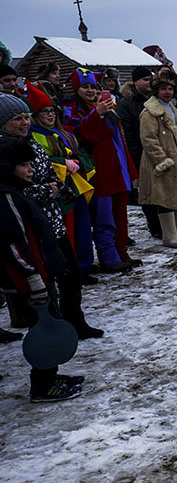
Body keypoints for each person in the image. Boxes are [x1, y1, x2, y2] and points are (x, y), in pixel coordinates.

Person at [1, 93, 101, 339]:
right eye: (17, 119)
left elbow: (49, 171)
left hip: (52, 222)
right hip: (31, 231)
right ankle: (54, 337)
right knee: (46, 288)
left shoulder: (32, 142)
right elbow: (13, 192)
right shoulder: (4, 151)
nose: (24, 123)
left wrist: (56, 183)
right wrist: (48, 189)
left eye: (26, 117)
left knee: (71, 274)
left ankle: (75, 323)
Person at [0, 137, 85, 402]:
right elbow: (15, 243)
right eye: (24, 165)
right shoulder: (6, 197)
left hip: (40, 274)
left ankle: (50, 375)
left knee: (50, 319)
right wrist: (33, 277)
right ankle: (43, 384)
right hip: (29, 280)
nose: (31, 169)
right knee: (43, 328)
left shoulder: (16, 192)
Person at [26, 80, 100, 289]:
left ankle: (84, 266)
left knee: (83, 228)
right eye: (44, 112)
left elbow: (81, 153)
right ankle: (71, 269)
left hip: (76, 187)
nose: (50, 115)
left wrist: (80, 163)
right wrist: (62, 164)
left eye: (52, 111)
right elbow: (38, 163)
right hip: (57, 192)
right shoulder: (33, 136)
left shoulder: (65, 133)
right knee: (67, 231)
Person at [64, 69, 139, 272]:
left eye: (92, 87)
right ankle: (109, 258)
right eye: (84, 87)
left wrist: (130, 171)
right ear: (76, 89)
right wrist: (96, 114)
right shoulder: (71, 110)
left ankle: (121, 252)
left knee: (120, 217)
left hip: (117, 168)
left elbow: (118, 139)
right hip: (98, 173)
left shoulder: (108, 108)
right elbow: (80, 137)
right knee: (104, 218)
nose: (89, 91)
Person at [139, 70, 177, 249]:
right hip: (162, 163)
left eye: (170, 88)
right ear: (156, 90)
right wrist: (161, 159)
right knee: (165, 198)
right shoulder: (150, 112)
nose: (167, 92)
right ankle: (169, 235)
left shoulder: (173, 110)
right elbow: (148, 139)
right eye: (163, 88)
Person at [116, 66, 162, 240]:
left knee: (162, 190)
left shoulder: (155, 99)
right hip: (139, 155)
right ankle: (155, 226)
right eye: (145, 79)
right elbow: (126, 133)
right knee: (147, 193)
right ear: (135, 82)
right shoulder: (126, 103)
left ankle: (166, 223)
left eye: (150, 78)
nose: (149, 82)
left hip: (158, 152)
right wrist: (136, 157)